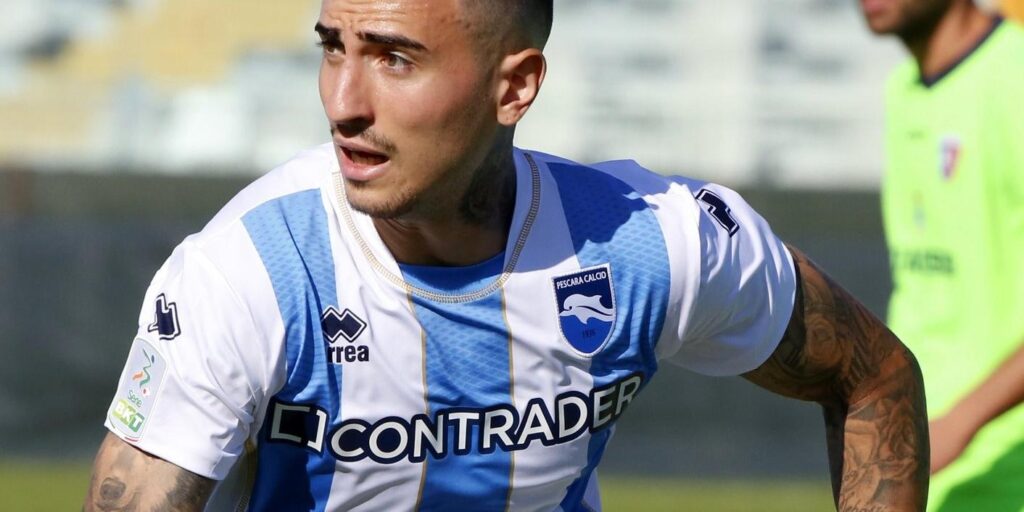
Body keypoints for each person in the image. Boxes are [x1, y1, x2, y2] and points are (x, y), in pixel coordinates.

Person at [82, 1, 928, 510]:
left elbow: (874, 378)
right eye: (333, 46)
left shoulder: (650, 243)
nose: (342, 101)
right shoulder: (247, 274)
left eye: (394, 57)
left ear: (515, 86)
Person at [859, 0, 1024, 510]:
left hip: (1005, 476)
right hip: (912, 467)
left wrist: (958, 424)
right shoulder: (902, 90)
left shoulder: (1015, 80)